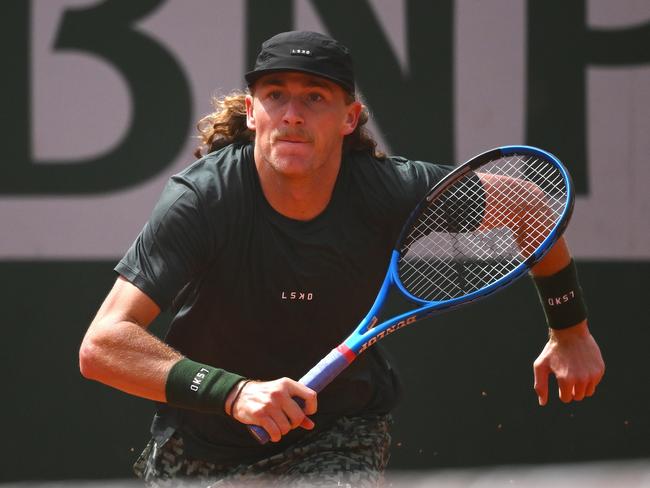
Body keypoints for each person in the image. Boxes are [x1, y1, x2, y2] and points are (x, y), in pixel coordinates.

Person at [79, 31, 605, 487]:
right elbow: (102, 345)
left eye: (315, 97)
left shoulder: (389, 190)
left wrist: (570, 329)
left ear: (349, 118)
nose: (291, 114)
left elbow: (533, 204)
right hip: (201, 442)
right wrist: (234, 393)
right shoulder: (203, 200)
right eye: (275, 95)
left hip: (338, 431)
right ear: (251, 111)